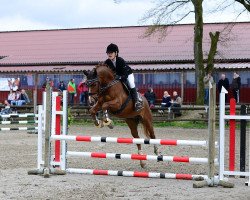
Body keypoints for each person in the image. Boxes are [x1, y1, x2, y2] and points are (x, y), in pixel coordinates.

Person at [104, 43, 142, 112]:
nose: (109, 54)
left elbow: (125, 75)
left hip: (127, 74)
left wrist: (120, 77)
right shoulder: (107, 62)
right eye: (108, 53)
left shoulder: (120, 60)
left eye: (111, 53)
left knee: (131, 83)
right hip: (116, 77)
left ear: (116, 53)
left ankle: (137, 102)